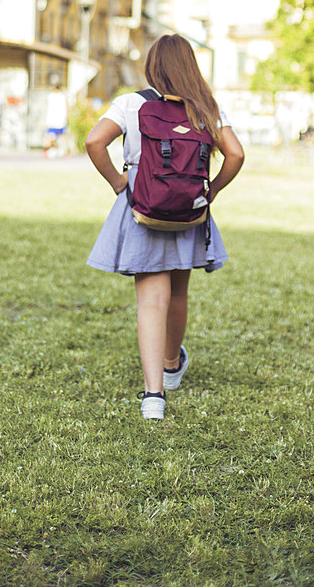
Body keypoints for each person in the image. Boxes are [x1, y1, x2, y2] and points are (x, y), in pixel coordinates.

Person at [85, 35, 245, 420]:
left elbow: (94, 141)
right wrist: (213, 190)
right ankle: (172, 367)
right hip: (190, 213)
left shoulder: (131, 103)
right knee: (177, 294)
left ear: (152, 66)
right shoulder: (204, 109)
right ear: (191, 67)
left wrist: (118, 183)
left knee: (151, 300)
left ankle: (153, 396)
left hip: (144, 209)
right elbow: (236, 153)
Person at [43, 82, 69, 158]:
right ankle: (66, 151)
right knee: (63, 136)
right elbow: (67, 107)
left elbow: (46, 105)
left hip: (51, 120)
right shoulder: (63, 96)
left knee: (49, 137)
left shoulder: (50, 96)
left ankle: (46, 150)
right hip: (61, 120)